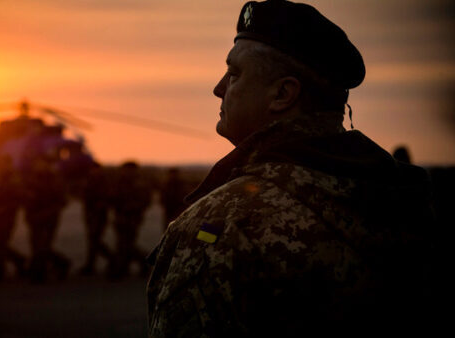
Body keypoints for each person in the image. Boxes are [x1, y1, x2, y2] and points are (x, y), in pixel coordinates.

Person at [147, 1, 435, 336]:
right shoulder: (408, 202)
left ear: (283, 94)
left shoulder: (219, 224)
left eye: (235, 74)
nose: (219, 88)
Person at [24, 156, 70, 283]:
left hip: (49, 219)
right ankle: (38, 272)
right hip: (34, 218)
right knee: (35, 245)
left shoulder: (55, 180)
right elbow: (27, 199)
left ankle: (56, 266)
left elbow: (62, 201)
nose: (38, 166)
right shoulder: (32, 179)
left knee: (43, 246)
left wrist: (48, 212)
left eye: (40, 163)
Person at [110, 161, 151, 278]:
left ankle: (124, 268)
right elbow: (113, 198)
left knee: (126, 244)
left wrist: (132, 207)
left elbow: (145, 201)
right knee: (123, 244)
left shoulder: (140, 183)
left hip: (133, 218)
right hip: (121, 217)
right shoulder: (120, 182)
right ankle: (127, 266)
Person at [0, 155, 27, 279]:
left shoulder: (13, 178)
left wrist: (6, 207)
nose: (0, 166)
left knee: (0, 242)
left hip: (7, 215)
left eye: (2, 164)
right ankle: (16, 261)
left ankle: (0, 269)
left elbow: (18, 196)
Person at [79, 162, 113, 276]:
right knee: (93, 241)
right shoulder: (89, 181)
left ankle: (113, 259)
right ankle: (90, 265)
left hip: (99, 216)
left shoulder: (102, 183)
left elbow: (105, 200)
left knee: (95, 241)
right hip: (91, 215)